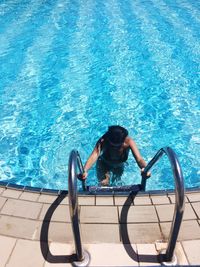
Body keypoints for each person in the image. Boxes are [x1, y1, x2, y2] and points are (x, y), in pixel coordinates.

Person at [82, 125, 151, 186]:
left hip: (119, 165)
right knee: (104, 184)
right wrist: (84, 170)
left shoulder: (128, 142)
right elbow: (95, 154)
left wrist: (145, 169)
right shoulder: (104, 140)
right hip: (103, 164)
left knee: (117, 184)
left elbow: (139, 159)